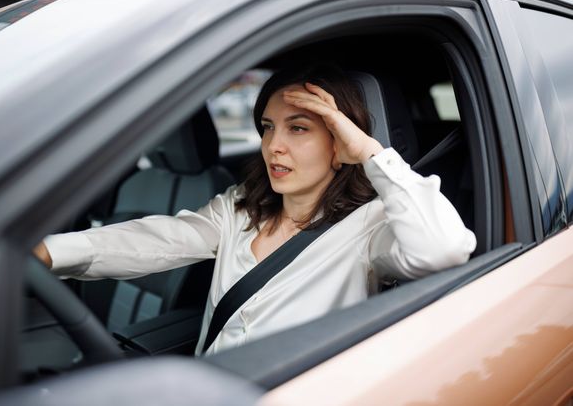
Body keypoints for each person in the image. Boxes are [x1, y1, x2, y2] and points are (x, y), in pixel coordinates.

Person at [34, 64, 476, 356]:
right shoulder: (240, 207)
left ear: (339, 143)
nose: (273, 146)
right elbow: (157, 241)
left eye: (298, 128)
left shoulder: (372, 226)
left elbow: (443, 250)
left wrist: (369, 152)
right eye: (267, 127)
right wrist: (48, 252)